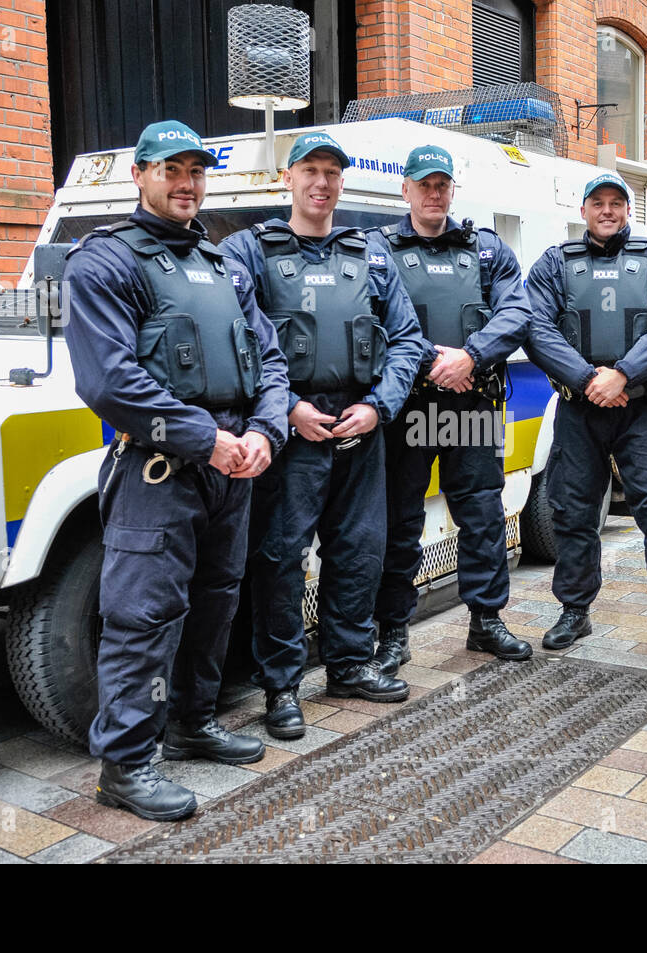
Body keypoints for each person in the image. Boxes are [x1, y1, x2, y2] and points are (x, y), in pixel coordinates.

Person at [62, 119, 289, 821]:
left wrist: (265, 432)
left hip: (232, 464)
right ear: (140, 175)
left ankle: (194, 721)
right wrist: (207, 439)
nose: (186, 183)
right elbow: (110, 381)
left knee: (219, 595)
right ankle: (127, 764)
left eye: (195, 171)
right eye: (171, 170)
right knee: (142, 613)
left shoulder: (227, 267)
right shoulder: (103, 262)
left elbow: (271, 361)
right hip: (159, 467)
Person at [221, 132, 428, 740]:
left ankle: (348, 665)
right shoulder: (249, 251)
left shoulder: (371, 256)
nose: (321, 183)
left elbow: (409, 339)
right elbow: (236, 338)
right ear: (288, 179)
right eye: (310, 170)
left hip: (361, 427)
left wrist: (380, 406)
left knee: (358, 552)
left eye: (332, 172)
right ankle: (281, 687)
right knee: (280, 559)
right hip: (289, 433)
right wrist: (285, 410)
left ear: (343, 182)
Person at [522, 172, 647, 660]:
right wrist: (587, 380)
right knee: (572, 512)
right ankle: (574, 611)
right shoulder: (555, 264)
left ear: (629, 209)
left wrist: (622, 374)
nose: (607, 211)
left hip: (641, 407)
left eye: (616, 203)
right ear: (583, 210)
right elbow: (535, 328)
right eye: (597, 202)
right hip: (578, 409)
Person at [368, 145, 534, 673]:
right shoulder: (380, 249)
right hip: (409, 405)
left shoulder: (486, 250)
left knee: (482, 515)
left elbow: (517, 311)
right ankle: (393, 632)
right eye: (424, 184)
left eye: (442, 184)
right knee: (400, 522)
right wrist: (435, 359)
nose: (434, 193)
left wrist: (472, 356)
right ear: (406, 191)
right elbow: (372, 320)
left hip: (472, 399)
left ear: (452, 190)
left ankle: (485, 622)